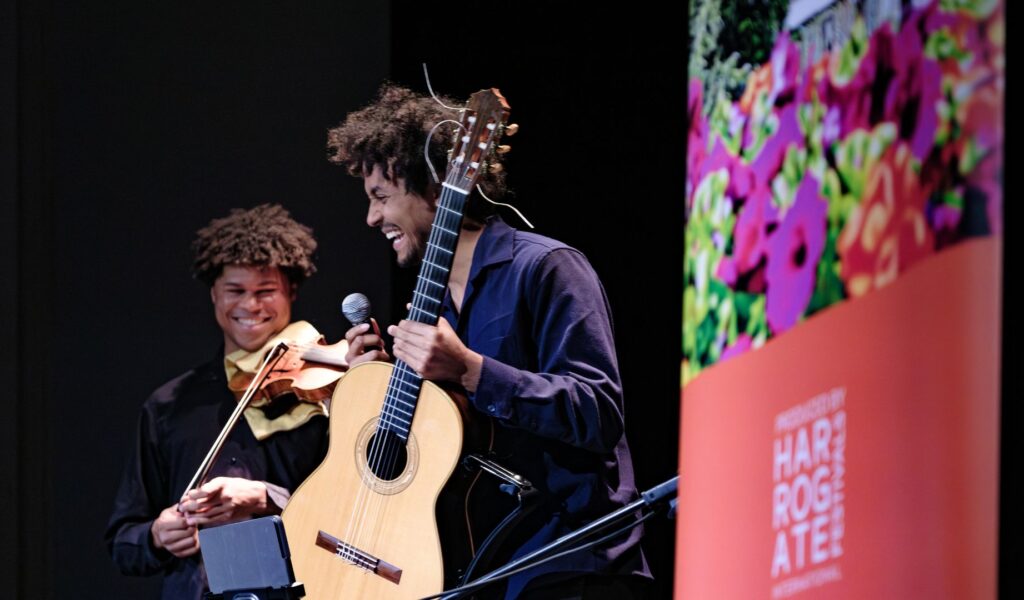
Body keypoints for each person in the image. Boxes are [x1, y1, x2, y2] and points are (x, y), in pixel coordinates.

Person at [331, 84, 651, 598]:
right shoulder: (431, 307)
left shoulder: (546, 267)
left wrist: (470, 370)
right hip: (482, 569)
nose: (371, 218)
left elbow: (598, 411)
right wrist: (382, 386)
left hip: (569, 564)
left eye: (381, 197)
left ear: (436, 188)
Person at [105, 204, 330, 599]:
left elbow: (353, 519)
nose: (251, 306)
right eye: (236, 291)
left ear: (290, 292)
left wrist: (267, 499)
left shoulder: (324, 393)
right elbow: (123, 541)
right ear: (214, 294)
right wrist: (157, 534)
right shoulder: (169, 405)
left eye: (265, 291)